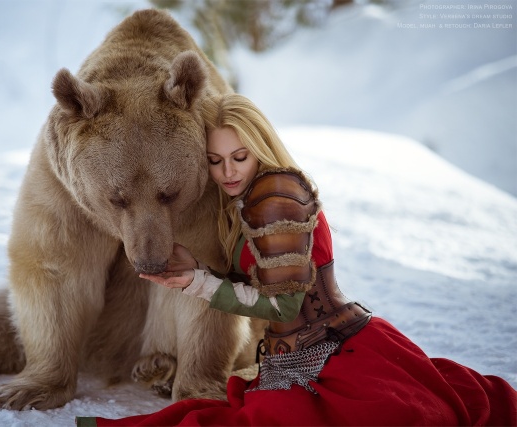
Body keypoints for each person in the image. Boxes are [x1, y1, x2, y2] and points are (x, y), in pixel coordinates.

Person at [76, 94, 517, 426]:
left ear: (261, 147)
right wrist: (199, 271)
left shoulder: (275, 199)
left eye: (239, 157)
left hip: (333, 352)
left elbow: (283, 307)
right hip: (305, 352)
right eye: (215, 161)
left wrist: (198, 282)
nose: (228, 171)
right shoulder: (249, 198)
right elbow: (268, 285)